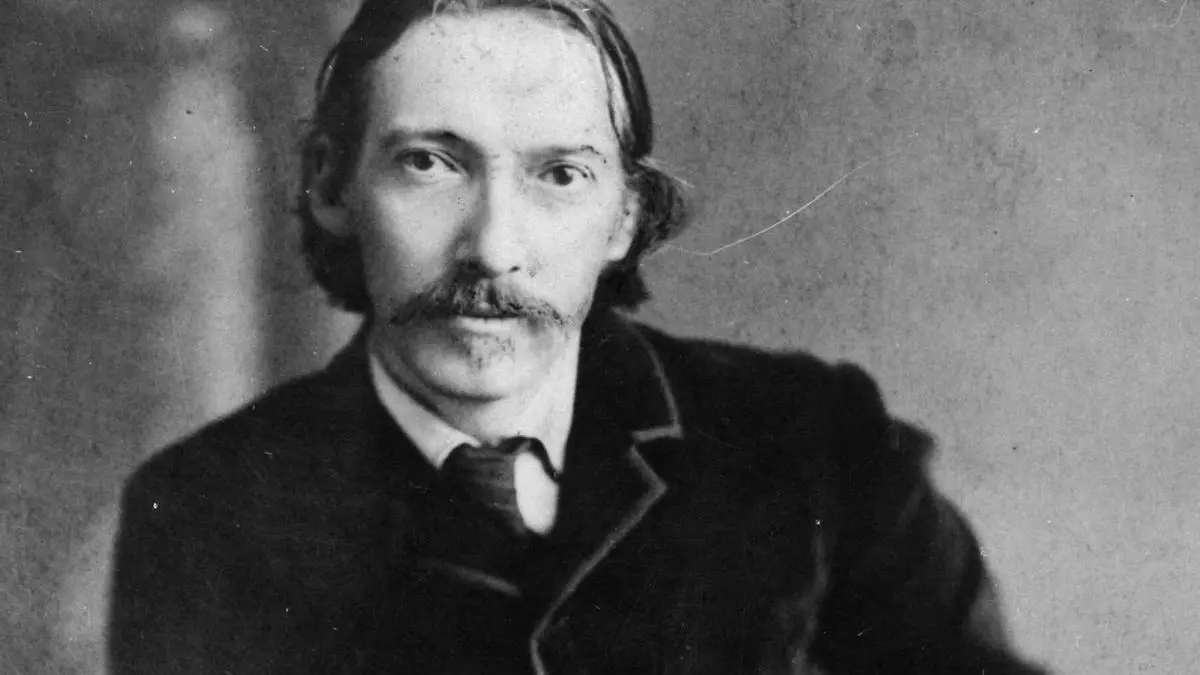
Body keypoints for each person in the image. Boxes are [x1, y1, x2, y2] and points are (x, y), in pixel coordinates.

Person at [107, 1, 1051, 673]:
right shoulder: (205, 512)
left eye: (559, 175)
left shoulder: (817, 445)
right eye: (430, 163)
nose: (493, 248)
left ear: (624, 218)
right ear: (330, 184)